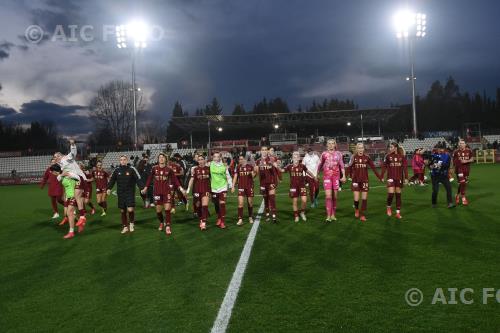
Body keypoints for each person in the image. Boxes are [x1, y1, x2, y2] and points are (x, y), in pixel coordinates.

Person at [143, 153, 185, 235]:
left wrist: (180, 188)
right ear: (158, 159)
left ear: (165, 159)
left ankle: (168, 226)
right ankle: (162, 222)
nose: (161, 159)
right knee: (158, 211)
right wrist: (146, 187)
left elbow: (175, 180)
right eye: (160, 157)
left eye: (163, 157)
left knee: (167, 209)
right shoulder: (154, 168)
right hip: (157, 192)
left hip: (167, 192)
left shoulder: (169, 169)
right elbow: (149, 179)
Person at [53, 140, 88, 227]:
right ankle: (82, 217)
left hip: (80, 178)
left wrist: (72, 144)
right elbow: (61, 175)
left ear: (60, 156)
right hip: (77, 179)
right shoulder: (61, 164)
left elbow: (73, 153)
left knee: (77, 197)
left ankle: (82, 217)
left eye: (55, 157)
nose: (55, 158)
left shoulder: (66, 158)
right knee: (78, 198)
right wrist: (59, 176)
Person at [107, 155, 144, 234]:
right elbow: (112, 180)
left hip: (130, 192)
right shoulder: (117, 170)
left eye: (124, 159)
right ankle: (125, 227)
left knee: (130, 209)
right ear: (119, 161)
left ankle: (131, 223)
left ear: (127, 161)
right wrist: (109, 188)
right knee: (122, 210)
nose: (123, 161)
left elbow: (138, 179)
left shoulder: (132, 169)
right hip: (120, 193)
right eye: (121, 160)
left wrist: (142, 188)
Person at [347, 143, 381, 221]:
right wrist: (344, 176)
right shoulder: (353, 157)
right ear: (356, 149)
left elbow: (373, 168)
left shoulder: (367, 157)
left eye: (362, 148)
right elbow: (349, 168)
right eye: (359, 148)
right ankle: (356, 209)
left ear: (363, 149)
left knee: (364, 199)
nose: (360, 149)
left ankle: (362, 215)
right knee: (356, 199)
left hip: (365, 180)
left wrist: (379, 177)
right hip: (355, 181)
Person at [282, 151, 317, 222]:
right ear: (292, 158)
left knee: (304, 200)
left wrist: (313, 176)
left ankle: (302, 213)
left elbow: (308, 171)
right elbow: (282, 170)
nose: (296, 158)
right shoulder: (289, 166)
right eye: (294, 157)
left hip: (302, 186)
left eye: (297, 156)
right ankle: (296, 215)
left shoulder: (302, 166)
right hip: (293, 187)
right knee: (295, 202)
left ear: (299, 158)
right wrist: (277, 167)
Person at [317, 139, 346, 222]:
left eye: (332, 143)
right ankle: (328, 216)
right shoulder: (324, 154)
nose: (330, 145)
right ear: (327, 145)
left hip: (336, 177)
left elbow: (342, 165)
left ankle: (333, 214)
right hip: (327, 177)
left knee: (335, 197)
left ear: (335, 145)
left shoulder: (339, 154)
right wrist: (317, 173)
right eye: (329, 144)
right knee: (328, 196)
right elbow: (320, 164)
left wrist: (343, 176)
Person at [49, 164, 80, 239]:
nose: (51, 173)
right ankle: (80, 224)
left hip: (74, 195)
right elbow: (60, 178)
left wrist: (70, 175)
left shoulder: (68, 173)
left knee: (69, 213)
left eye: (52, 171)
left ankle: (71, 232)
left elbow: (78, 178)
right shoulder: (60, 176)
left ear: (55, 171)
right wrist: (65, 195)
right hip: (68, 196)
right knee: (69, 214)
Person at [380, 142, 408, 219]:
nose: (390, 148)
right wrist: (382, 176)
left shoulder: (401, 157)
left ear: (395, 148)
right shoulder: (388, 156)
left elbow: (405, 168)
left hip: (399, 178)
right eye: (389, 147)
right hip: (390, 177)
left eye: (391, 147)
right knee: (391, 193)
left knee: (398, 195)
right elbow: (384, 166)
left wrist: (406, 178)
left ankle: (398, 213)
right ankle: (388, 207)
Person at [209, 151, 233, 229]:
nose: (216, 158)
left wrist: (231, 185)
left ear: (220, 158)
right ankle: (219, 217)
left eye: (217, 156)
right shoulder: (210, 164)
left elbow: (228, 176)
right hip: (214, 188)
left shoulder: (224, 166)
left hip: (223, 187)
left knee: (222, 203)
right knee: (216, 204)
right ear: (213, 158)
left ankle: (222, 222)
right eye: (214, 156)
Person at [255, 146, 279, 223]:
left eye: (266, 150)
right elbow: (255, 173)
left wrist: (275, 183)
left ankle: (274, 216)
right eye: (263, 150)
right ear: (260, 151)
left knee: (272, 199)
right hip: (263, 184)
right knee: (266, 200)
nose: (264, 151)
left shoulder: (271, 159)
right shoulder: (258, 161)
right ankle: (267, 215)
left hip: (271, 183)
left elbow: (276, 171)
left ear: (267, 151)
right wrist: (254, 172)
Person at [187, 155, 211, 231]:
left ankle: (203, 222)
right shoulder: (195, 169)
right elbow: (192, 179)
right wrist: (188, 189)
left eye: (202, 159)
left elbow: (213, 178)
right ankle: (201, 219)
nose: (200, 161)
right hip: (197, 190)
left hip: (206, 189)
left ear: (205, 160)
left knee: (205, 205)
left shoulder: (209, 169)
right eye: (199, 160)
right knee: (198, 206)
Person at [232, 155, 256, 226]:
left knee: (250, 202)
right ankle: (240, 219)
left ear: (245, 160)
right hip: (241, 187)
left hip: (249, 186)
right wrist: (233, 186)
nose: (241, 160)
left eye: (242, 159)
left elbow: (253, 176)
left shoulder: (250, 166)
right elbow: (235, 176)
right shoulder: (238, 167)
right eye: (239, 159)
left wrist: (253, 172)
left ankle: (250, 217)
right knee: (240, 203)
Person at [429, 144, 455, 208]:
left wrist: (439, 165)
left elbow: (447, 166)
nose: (440, 150)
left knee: (449, 188)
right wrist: (430, 166)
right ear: (437, 149)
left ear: (444, 149)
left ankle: (450, 203)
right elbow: (429, 165)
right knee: (435, 190)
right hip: (435, 176)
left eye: (441, 149)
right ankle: (434, 203)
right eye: (439, 148)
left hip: (444, 175)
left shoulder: (447, 156)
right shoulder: (433, 155)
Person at [453, 139, 474, 205]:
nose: (461, 144)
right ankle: (463, 197)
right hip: (459, 169)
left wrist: (466, 161)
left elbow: (472, 159)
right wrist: (452, 168)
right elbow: (453, 161)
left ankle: (457, 195)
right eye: (460, 143)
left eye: (462, 143)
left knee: (462, 183)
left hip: (466, 169)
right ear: (458, 145)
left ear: (465, 144)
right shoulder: (456, 151)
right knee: (462, 182)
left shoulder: (469, 151)